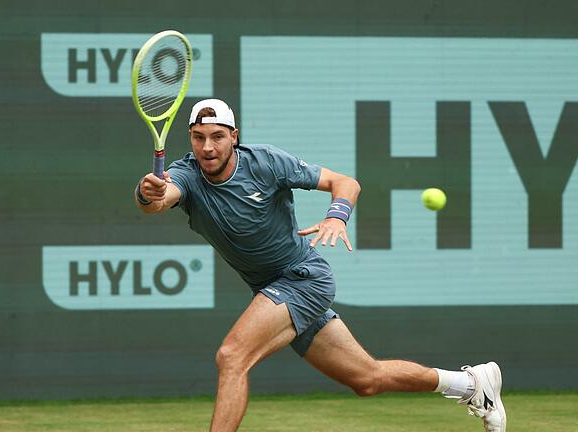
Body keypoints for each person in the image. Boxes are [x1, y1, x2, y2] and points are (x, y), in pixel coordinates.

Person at [134, 99, 507, 432]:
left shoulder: (266, 162)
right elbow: (161, 198)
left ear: (234, 136)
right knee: (367, 379)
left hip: (302, 279)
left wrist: (336, 217)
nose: (207, 147)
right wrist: (148, 192)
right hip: (273, 288)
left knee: (232, 357)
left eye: (217, 136)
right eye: (199, 137)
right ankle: (473, 385)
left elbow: (345, 183)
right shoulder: (186, 174)